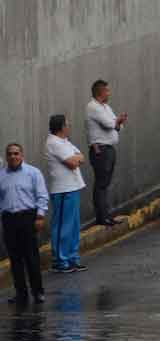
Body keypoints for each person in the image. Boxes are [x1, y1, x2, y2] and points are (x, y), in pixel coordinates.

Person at [0, 144, 49, 305]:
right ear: (6, 157)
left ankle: (38, 292)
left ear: (22, 155)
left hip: (27, 218)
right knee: (15, 259)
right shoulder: (1, 175)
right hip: (9, 219)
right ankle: (21, 293)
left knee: (31, 257)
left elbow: (42, 195)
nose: (13, 156)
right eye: (10, 154)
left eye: (16, 153)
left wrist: (40, 216)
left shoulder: (33, 173)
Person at [45, 116, 87, 274]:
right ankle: (59, 260)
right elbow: (73, 162)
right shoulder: (54, 142)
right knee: (62, 226)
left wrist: (76, 158)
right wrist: (76, 159)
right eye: (67, 124)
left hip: (73, 187)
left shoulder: (65, 142)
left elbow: (81, 156)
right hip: (63, 190)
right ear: (61, 127)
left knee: (74, 226)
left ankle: (72, 258)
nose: (69, 126)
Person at [86, 80, 126, 227]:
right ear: (100, 92)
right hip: (100, 150)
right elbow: (110, 124)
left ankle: (107, 215)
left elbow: (119, 126)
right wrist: (117, 121)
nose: (109, 93)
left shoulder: (106, 107)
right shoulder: (93, 107)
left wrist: (117, 122)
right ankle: (102, 218)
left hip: (109, 149)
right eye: (107, 91)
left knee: (105, 184)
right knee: (101, 184)